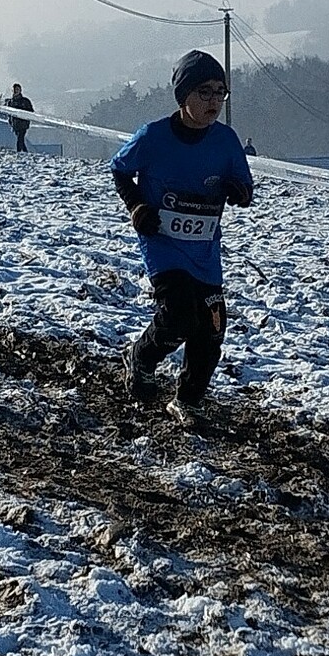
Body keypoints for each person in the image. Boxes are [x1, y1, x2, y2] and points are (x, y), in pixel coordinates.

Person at [110, 49, 254, 423]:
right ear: (183, 95)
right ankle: (140, 357)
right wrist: (137, 206)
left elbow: (245, 185)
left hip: (204, 251)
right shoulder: (153, 137)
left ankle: (188, 401)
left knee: (212, 329)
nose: (213, 101)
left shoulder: (226, 140)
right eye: (204, 92)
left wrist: (239, 192)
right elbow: (120, 169)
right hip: (163, 246)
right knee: (179, 316)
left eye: (220, 92)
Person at [5, 83, 34, 153]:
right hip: (15, 124)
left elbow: (31, 111)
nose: (16, 91)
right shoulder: (10, 102)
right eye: (15, 89)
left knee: (20, 139)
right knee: (21, 139)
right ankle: (25, 152)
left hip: (23, 124)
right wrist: (10, 121)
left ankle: (19, 152)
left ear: (20, 90)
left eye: (17, 89)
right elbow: (8, 113)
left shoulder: (25, 101)